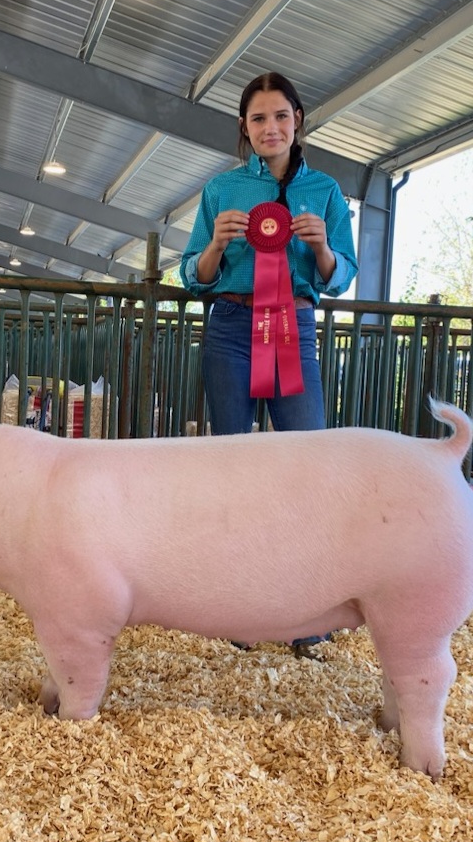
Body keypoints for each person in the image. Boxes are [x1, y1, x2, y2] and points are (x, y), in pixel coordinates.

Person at [180, 72, 359, 660]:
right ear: (244, 127)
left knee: (307, 466)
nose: (270, 128)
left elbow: (342, 276)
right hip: (230, 327)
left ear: (298, 119)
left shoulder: (326, 192)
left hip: (294, 327)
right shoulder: (220, 190)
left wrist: (320, 248)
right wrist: (214, 245)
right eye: (258, 119)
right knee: (231, 466)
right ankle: (238, 606)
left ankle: (306, 614)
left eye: (280, 116)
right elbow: (192, 275)